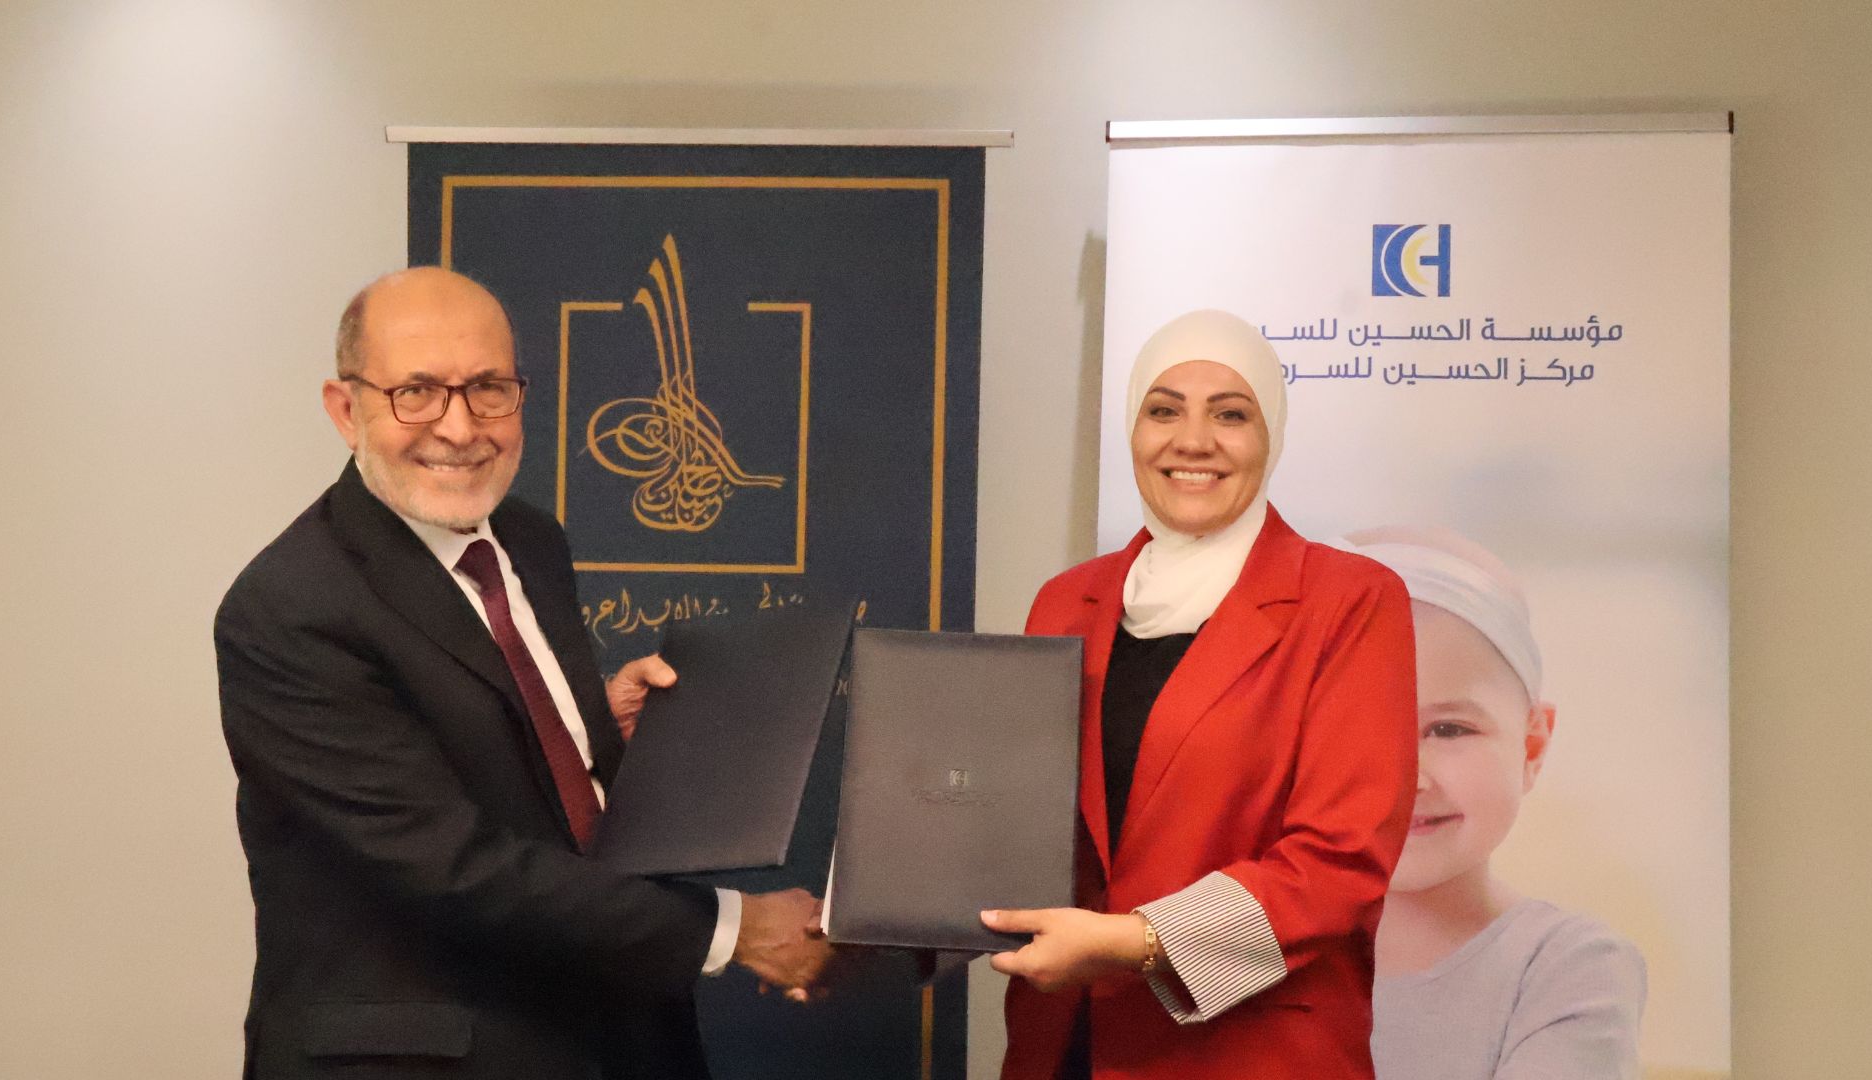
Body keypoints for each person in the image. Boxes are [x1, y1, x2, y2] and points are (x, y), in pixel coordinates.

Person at [214, 267, 829, 1080]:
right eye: (416, 393)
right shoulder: (291, 608)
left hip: (612, 1034)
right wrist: (733, 930)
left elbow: (501, 762)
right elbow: (449, 867)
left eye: (488, 389)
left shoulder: (530, 542)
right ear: (345, 410)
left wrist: (593, 730)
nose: (459, 426)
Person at [981, 310, 1420, 1079]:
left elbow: (1340, 862)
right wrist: (877, 910)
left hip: (1250, 1052)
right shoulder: (1066, 601)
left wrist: (1138, 942)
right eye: (1163, 410)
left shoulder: (1349, 600)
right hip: (1066, 1047)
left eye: (1230, 414)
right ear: (1132, 428)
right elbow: (1024, 822)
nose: (1192, 441)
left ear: (1271, 435)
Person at [1334, 526, 1646, 1079]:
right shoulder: (1235, 955)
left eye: (1448, 729)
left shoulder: (1564, 968)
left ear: (1531, 746)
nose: (1406, 779)